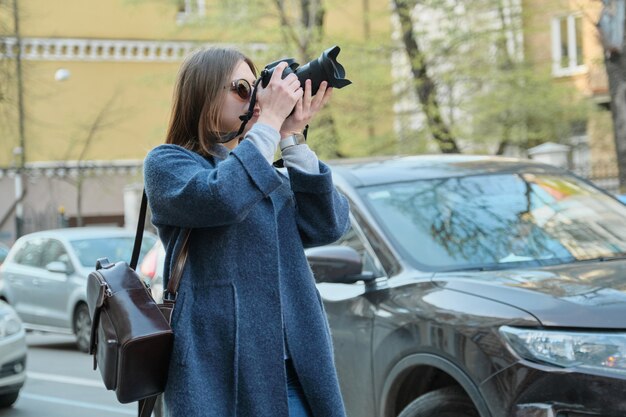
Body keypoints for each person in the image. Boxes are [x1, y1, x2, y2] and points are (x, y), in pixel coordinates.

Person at [143, 47, 350, 417]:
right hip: (223, 374)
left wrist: (291, 138)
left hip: (297, 369)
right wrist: (268, 124)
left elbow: (328, 225)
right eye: (242, 88)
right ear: (203, 95)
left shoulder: (260, 167)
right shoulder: (168, 163)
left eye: (257, 87)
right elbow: (222, 197)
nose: (256, 98)